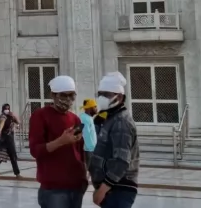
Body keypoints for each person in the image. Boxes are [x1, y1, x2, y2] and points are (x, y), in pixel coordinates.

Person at [28, 75, 87, 208]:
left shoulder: (75, 119)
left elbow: (79, 151)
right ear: (53, 95)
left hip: (76, 185)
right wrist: (61, 141)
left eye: (71, 95)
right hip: (54, 189)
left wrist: (84, 176)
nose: (67, 99)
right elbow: (35, 150)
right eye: (63, 95)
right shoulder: (40, 116)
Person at [89, 73, 139, 208]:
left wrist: (102, 190)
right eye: (100, 94)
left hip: (118, 189)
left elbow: (121, 161)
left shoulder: (121, 121)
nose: (101, 98)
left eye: (106, 94)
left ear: (120, 97)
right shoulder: (108, 118)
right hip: (112, 190)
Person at [0, 103, 21, 178]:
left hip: (10, 139)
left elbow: (18, 122)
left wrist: (14, 115)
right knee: (1, 156)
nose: (7, 110)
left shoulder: (10, 116)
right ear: (3, 109)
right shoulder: (2, 116)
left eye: (8, 108)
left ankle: (17, 174)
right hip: (4, 139)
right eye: (5, 108)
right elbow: (2, 123)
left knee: (13, 156)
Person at [80, 99, 99, 167]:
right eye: (94, 107)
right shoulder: (85, 119)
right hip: (89, 150)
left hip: (90, 150)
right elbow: (86, 135)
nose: (96, 109)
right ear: (88, 109)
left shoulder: (88, 118)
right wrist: (92, 149)